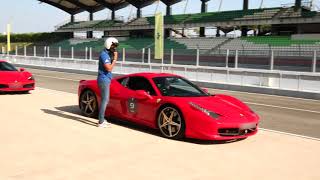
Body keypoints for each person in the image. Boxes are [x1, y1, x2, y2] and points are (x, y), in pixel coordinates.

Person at [97, 37, 119, 128]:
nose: (115, 48)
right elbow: (109, 68)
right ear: (109, 45)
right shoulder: (104, 55)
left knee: (105, 100)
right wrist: (115, 60)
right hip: (104, 80)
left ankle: (102, 119)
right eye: (113, 45)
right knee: (105, 100)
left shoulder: (107, 54)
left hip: (106, 79)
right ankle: (101, 122)